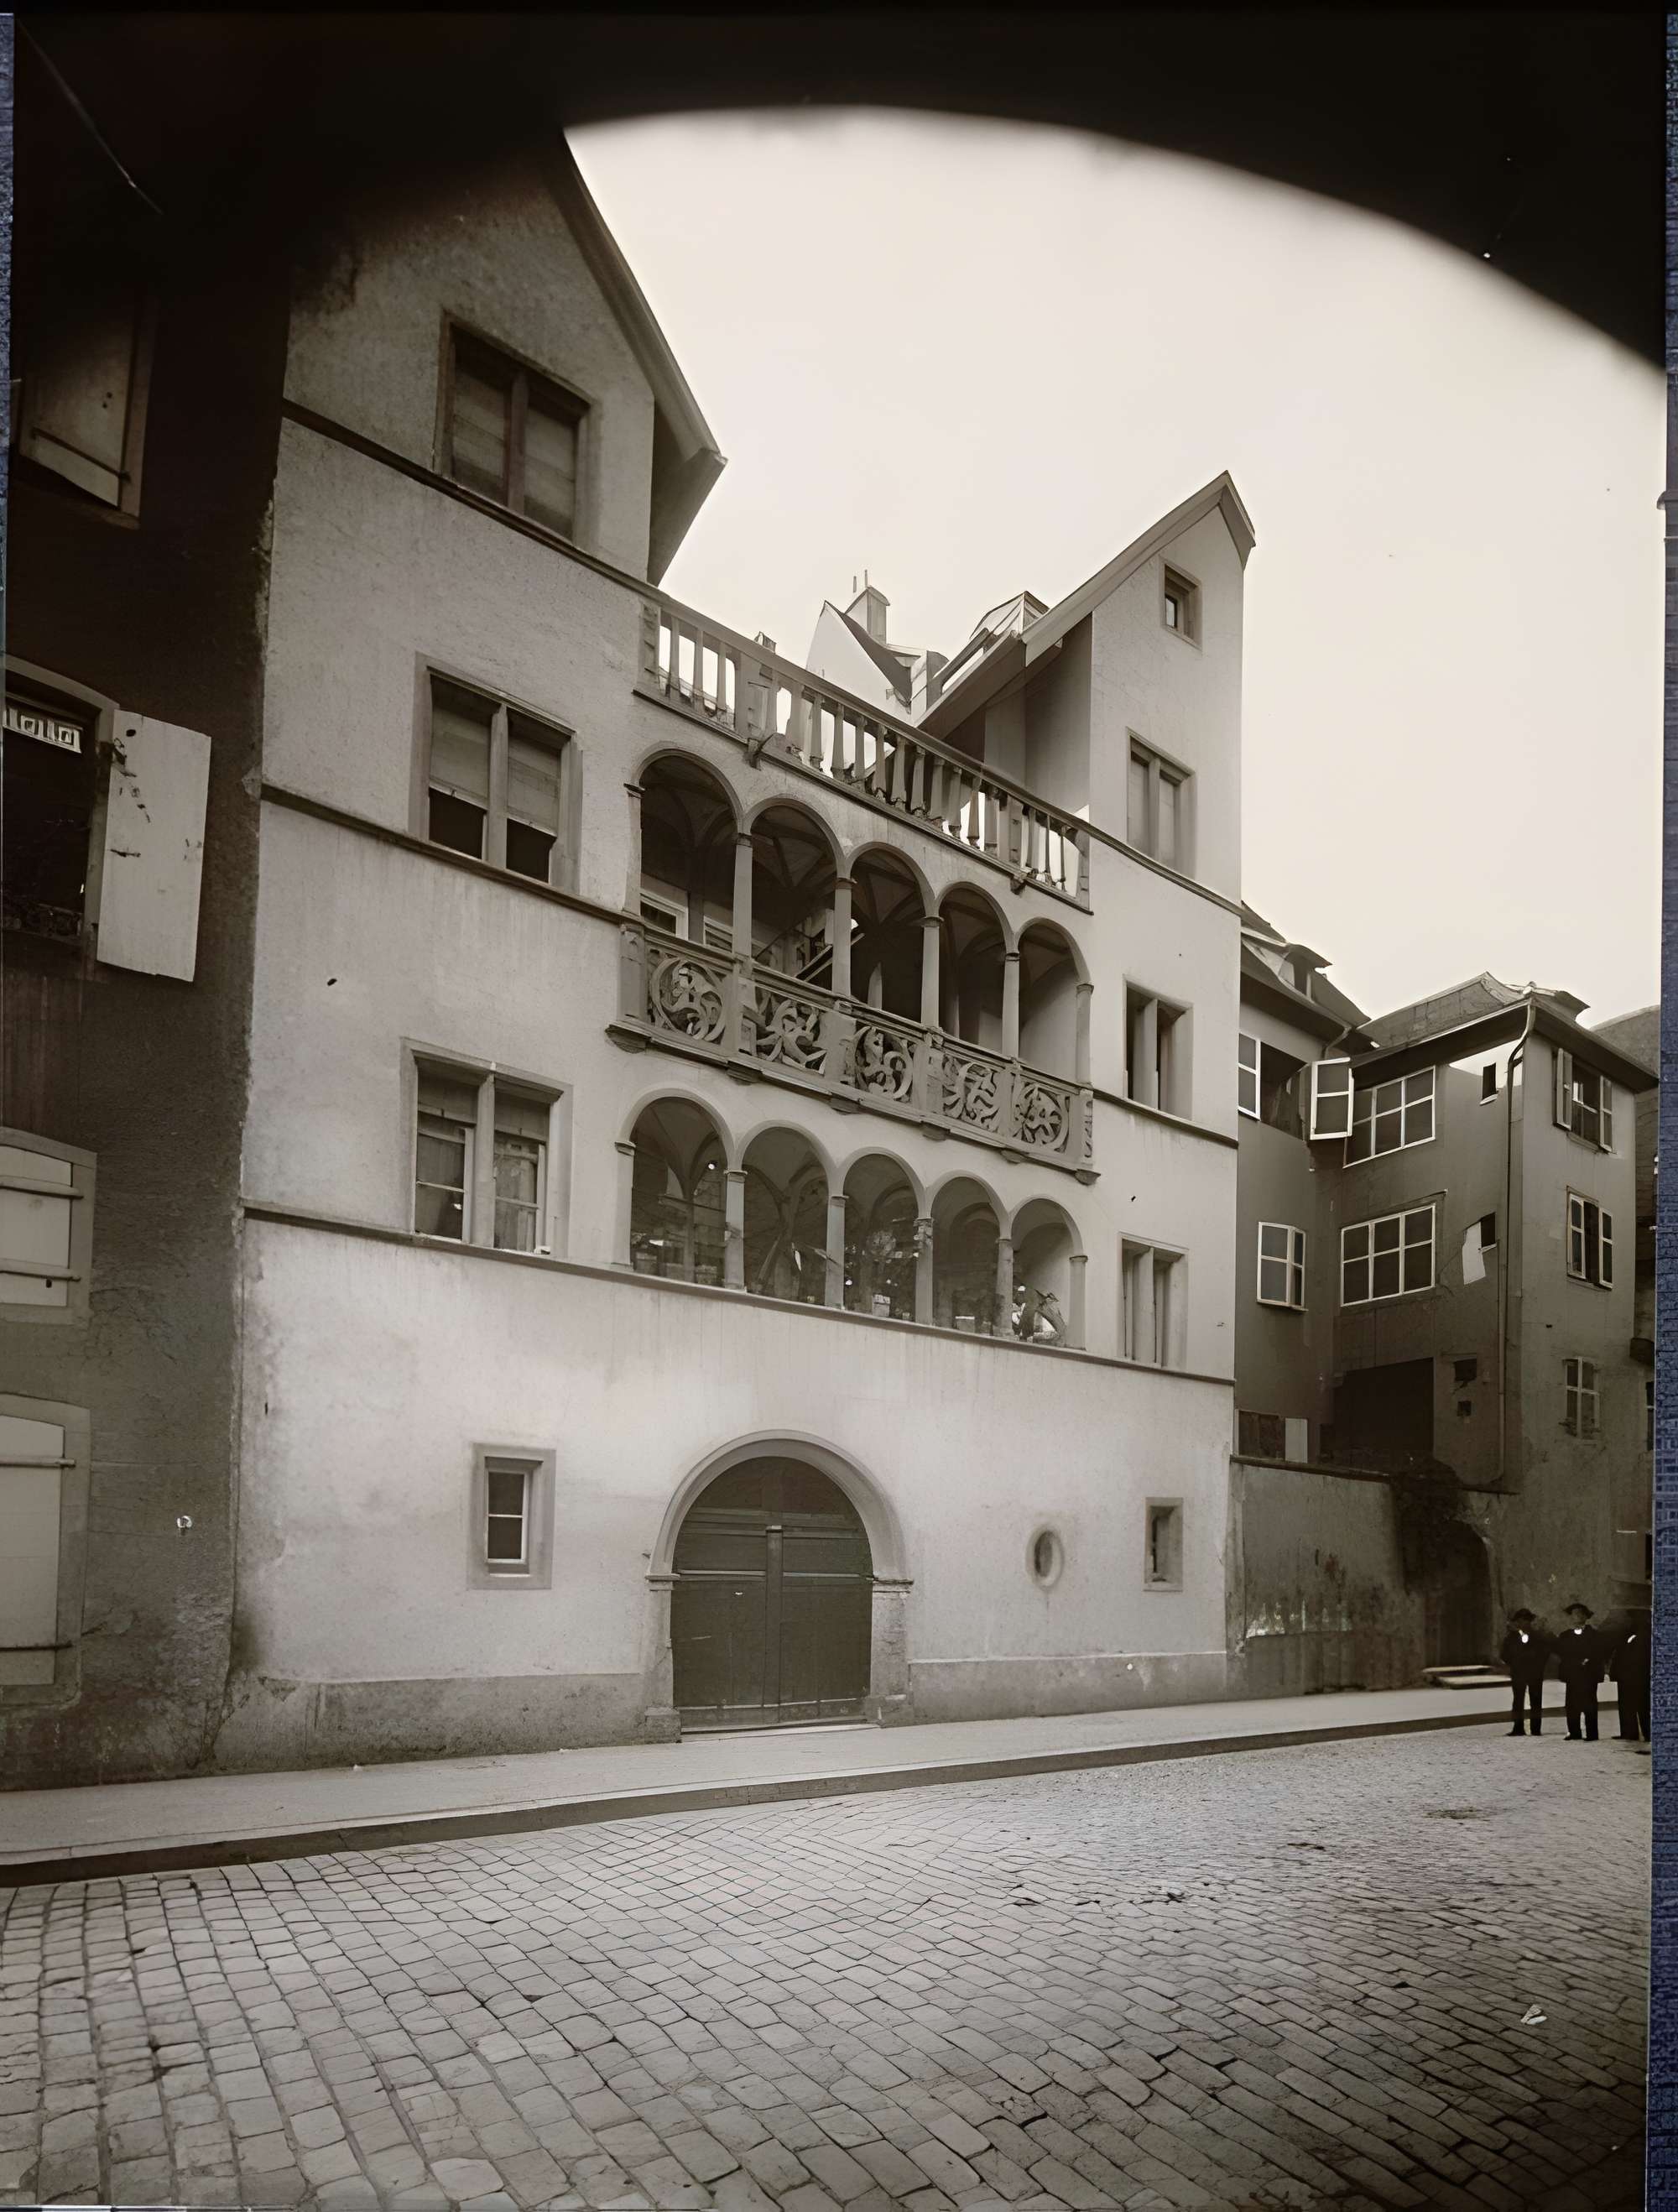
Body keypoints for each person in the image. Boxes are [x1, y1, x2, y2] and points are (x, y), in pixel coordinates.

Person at [1555, 1600, 1607, 1740]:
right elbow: (1561, 1652)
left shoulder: (1594, 1635)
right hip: (1573, 1675)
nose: (1576, 1617)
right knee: (1571, 1704)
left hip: (1588, 1675)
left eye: (1579, 1614)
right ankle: (1574, 1731)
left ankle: (1592, 1733)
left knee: (1589, 1703)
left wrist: (1587, 1660)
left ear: (1585, 1616)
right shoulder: (1565, 1636)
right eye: (1574, 1614)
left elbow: (1598, 1652)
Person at [1499, 1609, 1548, 1736]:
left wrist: (1537, 1665)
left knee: (1536, 1700)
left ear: (1530, 1622)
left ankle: (1536, 1728)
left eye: (1526, 1620)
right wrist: (1515, 1663)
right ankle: (1518, 1727)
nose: (1523, 1623)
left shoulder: (1537, 1637)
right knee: (1518, 1700)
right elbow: (1504, 1654)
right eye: (1520, 1620)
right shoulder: (1511, 1638)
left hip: (1534, 1673)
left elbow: (1544, 1654)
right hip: (1518, 1672)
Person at [1609, 1611, 1651, 1745]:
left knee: (1642, 1705)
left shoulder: (1645, 1634)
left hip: (1638, 1675)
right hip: (1627, 1675)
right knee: (1628, 1704)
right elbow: (1619, 1654)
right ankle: (1629, 1732)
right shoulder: (1627, 1633)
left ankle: (1646, 1733)